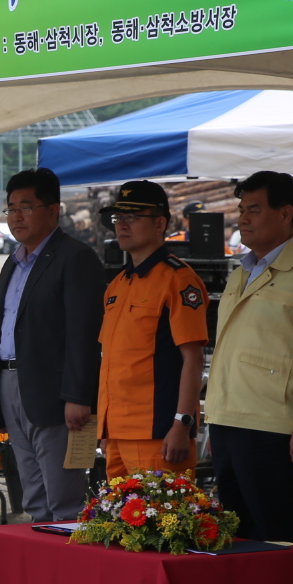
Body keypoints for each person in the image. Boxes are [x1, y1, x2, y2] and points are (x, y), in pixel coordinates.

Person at [205, 171, 293, 546]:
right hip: (228, 421)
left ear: (285, 213)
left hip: (275, 428)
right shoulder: (239, 273)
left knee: (280, 534)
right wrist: (215, 418)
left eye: (254, 210)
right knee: (236, 536)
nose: (243, 219)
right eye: (241, 210)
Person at [0, 167, 105, 522]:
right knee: (33, 497)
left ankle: (68, 557)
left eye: (26, 207)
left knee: (64, 499)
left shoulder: (75, 258)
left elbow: (83, 333)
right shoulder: (12, 263)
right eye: (10, 208)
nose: (16, 217)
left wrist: (78, 396)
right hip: (11, 383)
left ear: (53, 210)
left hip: (55, 393)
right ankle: (40, 551)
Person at [95, 181, 208, 478]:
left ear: (159, 224)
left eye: (133, 217)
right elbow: (112, 360)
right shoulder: (118, 284)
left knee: (160, 510)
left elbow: (193, 358)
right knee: (117, 510)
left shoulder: (178, 280)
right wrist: (105, 429)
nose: (122, 225)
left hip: (158, 433)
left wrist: (182, 423)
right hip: (117, 433)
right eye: (118, 217)